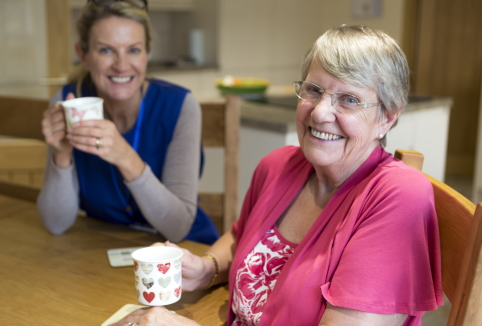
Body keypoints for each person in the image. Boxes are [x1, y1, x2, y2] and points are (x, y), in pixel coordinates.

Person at [111, 25, 443, 326]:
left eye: (349, 99)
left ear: (387, 117)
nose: (320, 112)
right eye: (313, 90)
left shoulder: (399, 196)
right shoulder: (279, 165)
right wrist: (207, 269)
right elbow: (242, 238)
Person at [37, 0, 218, 245]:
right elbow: (56, 224)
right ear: (85, 55)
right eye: (106, 50)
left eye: (133, 50)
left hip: (181, 253)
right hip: (103, 247)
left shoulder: (179, 106)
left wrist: (125, 157)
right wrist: (61, 155)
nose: (122, 66)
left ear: (147, 54)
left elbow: (177, 228)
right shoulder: (69, 101)